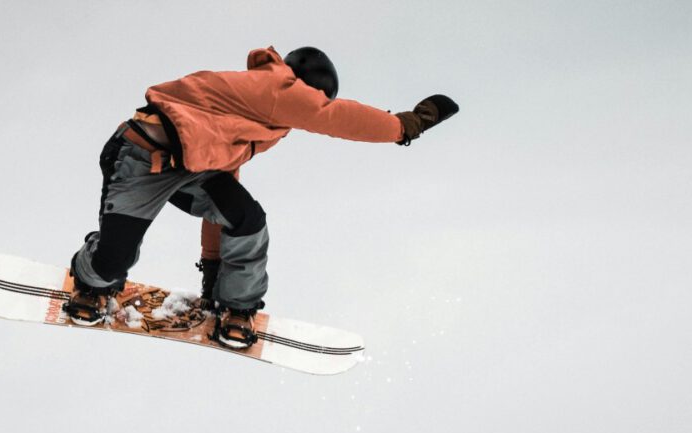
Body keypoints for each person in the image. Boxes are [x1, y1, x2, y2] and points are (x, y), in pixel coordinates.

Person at [65, 46, 458, 348]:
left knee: (246, 220)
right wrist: (405, 125)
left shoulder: (257, 117)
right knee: (112, 261)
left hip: (194, 169)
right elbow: (335, 116)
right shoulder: (277, 87)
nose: (303, 116)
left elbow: (221, 196)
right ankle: (92, 281)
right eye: (313, 102)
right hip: (139, 158)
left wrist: (215, 270)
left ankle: (236, 305)